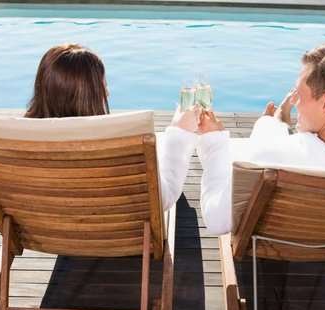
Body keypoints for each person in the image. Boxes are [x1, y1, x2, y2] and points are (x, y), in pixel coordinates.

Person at [195, 42, 325, 235]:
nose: (296, 102)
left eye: (300, 94)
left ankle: (274, 123)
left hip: (278, 264)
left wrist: (213, 146)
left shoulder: (270, 161)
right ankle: (276, 123)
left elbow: (216, 220)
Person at [26, 43, 198, 211]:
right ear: (89, 96)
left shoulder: (14, 142)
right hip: (116, 236)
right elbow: (164, 199)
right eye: (103, 85)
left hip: (42, 235)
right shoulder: (118, 145)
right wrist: (179, 133)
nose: (107, 92)